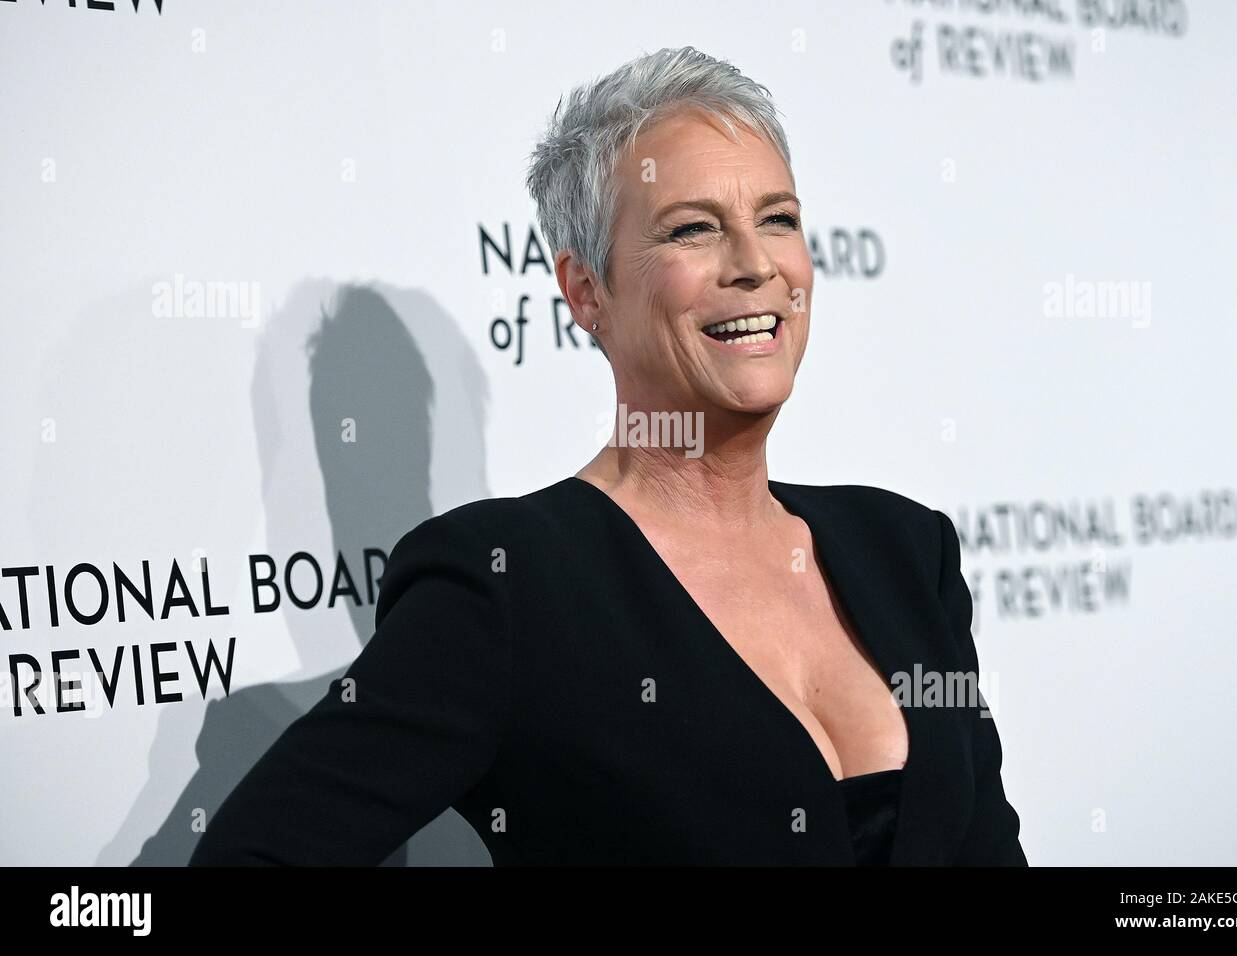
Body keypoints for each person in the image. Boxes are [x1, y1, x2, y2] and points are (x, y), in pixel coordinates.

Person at [190, 45, 1028, 867]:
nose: (754, 266)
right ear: (587, 291)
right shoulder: (507, 587)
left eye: (778, 218)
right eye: (693, 230)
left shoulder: (907, 550)